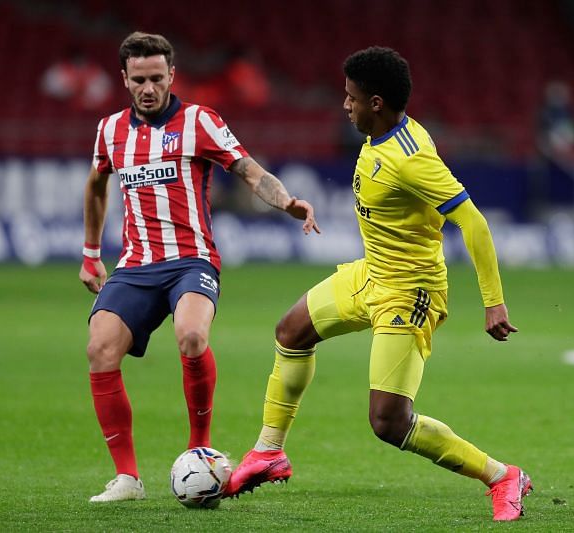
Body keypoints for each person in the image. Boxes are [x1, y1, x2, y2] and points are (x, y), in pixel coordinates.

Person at [224, 47, 532, 522]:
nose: (343, 105)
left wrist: (493, 303)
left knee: (388, 423)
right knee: (291, 332)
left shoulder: (411, 160)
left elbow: (474, 223)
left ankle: (502, 476)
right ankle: (269, 452)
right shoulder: (380, 135)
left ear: (376, 103)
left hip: (409, 293)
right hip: (372, 274)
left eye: (351, 98)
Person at [79, 32, 320, 503]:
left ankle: (199, 450)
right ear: (124, 80)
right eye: (138, 80)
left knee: (191, 336)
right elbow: (95, 185)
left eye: (156, 78)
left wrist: (285, 200)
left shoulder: (199, 122)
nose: (148, 88)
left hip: (192, 260)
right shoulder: (110, 130)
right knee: (99, 349)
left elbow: (250, 170)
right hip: (136, 264)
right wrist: (91, 252)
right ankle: (126, 478)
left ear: (172, 75)